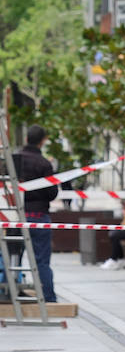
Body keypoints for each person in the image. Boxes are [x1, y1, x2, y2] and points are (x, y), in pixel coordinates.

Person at [10, 126, 60, 303]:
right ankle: (48, 297)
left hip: (15, 217)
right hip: (38, 217)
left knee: (11, 258)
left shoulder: (13, 160)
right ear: (43, 140)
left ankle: (9, 292)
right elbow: (52, 193)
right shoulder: (44, 163)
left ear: (26, 139)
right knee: (41, 261)